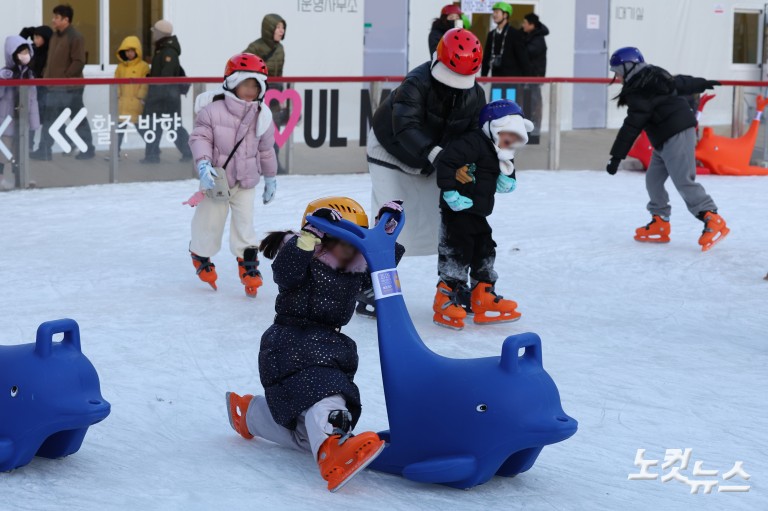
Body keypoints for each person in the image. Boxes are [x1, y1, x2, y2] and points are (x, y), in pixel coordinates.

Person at [225, 197, 405, 492]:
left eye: (356, 239)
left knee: (307, 432)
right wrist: (307, 237)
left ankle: (252, 414)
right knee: (327, 391)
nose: (349, 247)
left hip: (329, 344)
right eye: (341, 239)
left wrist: (385, 234)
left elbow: (381, 264)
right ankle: (332, 452)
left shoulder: (353, 267)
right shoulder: (302, 257)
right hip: (292, 341)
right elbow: (285, 272)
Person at [368, 28, 486, 258]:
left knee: (443, 222)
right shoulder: (416, 83)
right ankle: (375, 277)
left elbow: (474, 136)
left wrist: (469, 163)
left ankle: (453, 281)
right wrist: (437, 155)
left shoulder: (476, 96)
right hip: (391, 151)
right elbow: (405, 126)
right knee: (391, 221)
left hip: (434, 159)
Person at [606, 47, 728, 252]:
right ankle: (660, 220)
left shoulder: (641, 89)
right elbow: (679, 82)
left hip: (677, 132)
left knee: (683, 180)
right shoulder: (650, 76)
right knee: (653, 179)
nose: (617, 77)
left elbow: (631, 126)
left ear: (629, 67)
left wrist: (616, 157)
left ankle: (712, 217)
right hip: (663, 137)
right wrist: (701, 82)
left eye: (618, 71)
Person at [433, 100, 530, 329]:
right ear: (493, 127)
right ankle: (445, 298)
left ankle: (483, 295)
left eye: (516, 138)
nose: (511, 142)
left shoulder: (501, 152)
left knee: (485, 250)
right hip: (457, 212)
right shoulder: (472, 143)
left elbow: (503, 172)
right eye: (508, 135)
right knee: (456, 252)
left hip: (478, 212)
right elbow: (447, 162)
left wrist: (508, 178)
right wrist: (450, 193)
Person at [187, 53, 277, 296]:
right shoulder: (212, 111)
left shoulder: (263, 115)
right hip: (216, 180)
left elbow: (266, 150)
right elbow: (200, 137)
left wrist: (270, 177)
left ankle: (248, 266)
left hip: (246, 181)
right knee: (209, 223)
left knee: (245, 225)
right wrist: (204, 164)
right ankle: (200, 252)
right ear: (232, 82)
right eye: (245, 83)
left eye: (255, 85)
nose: (250, 90)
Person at [32, 4, 95, 161]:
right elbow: (51, 61)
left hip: (71, 88)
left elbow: (79, 62)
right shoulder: (54, 36)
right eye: (53, 17)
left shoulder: (75, 37)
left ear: (66, 19)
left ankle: (87, 148)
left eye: (57, 17)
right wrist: (46, 76)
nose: (53, 20)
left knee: (77, 118)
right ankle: (44, 151)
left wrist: (64, 77)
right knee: (50, 118)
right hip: (53, 87)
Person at [140, 20, 192, 164]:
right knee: (156, 125)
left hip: (166, 98)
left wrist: (153, 95)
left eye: (154, 32)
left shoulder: (168, 52)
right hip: (164, 96)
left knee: (172, 126)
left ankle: (190, 152)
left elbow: (166, 77)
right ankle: (152, 155)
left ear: (160, 33)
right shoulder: (162, 50)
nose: (153, 35)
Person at [244, 14, 288, 173]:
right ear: (269, 29)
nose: (281, 31)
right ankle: (253, 165)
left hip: (274, 97)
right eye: (278, 27)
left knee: (273, 131)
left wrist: (281, 93)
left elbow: (279, 73)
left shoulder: (280, 48)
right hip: (259, 97)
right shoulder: (255, 47)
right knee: (256, 131)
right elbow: (243, 67)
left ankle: (273, 165)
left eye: (283, 27)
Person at [0, 36, 40, 189]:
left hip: (22, 119)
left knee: (20, 151)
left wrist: (34, 121)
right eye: (21, 52)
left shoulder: (29, 73)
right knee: (3, 150)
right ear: (12, 54)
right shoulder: (5, 72)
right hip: (5, 120)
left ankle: (21, 178)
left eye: (26, 51)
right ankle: (1, 178)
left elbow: (33, 98)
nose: (25, 54)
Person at [114, 36, 149, 156]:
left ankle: (152, 148)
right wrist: (118, 95)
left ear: (137, 51)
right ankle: (115, 151)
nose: (129, 54)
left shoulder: (143, 66)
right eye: (127, 51)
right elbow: (116, 82)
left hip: (136, 103)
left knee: (141, 128)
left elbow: (145, 82)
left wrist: (140, 96)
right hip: (123, 103)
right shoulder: (120, 67)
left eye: (132, 51)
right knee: (119, 129)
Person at [19, 25, 52, 153]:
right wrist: (26, 31)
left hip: (43, 89)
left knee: (45, 117)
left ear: (46, 39)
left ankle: (66, 141)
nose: (35, 40)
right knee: (30, 115)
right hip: (30, 88)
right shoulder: (32, 49)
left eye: (38, 37)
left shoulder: (49, 53)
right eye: (34, 37)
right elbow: (18, 46)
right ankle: (29, 145)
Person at [481, 3, 530, 82]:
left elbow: (522, 58)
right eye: (494, 12)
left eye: (497, 12)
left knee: (510, 94)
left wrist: (527, 79)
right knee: (496, 94)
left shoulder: (515, 34)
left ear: (505, 15)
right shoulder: (491, 34)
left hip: (511, 79)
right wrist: (484, 76)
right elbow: (487, 56)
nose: (494, 15)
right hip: (496, 78)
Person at [520, 12, 548, 144]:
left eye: (525, 23)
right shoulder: (528, 35)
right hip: (526, 78)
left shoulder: (537, 40)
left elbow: (525, 53)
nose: (522, 25)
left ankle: (533, 134)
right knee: (526, 106)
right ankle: (525, 133)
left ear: (532, 25)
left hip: (533, 79)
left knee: (534, 106)